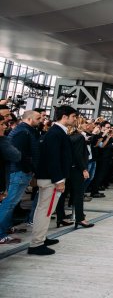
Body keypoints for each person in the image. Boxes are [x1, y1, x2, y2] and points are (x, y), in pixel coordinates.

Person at [28, 105, 78, 255]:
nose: (75, 119)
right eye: (73, 116)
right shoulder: (56, 133)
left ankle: (41, 237)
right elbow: (53, 159)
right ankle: (36, 244)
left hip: (51, 178)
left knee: (44, 210)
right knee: (45, 210)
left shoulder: (56, 132)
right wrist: (59, 180)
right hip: (51, 179)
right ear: (65, 117)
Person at [0, 109, 29, 245]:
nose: (6, 125)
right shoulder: (3, 139)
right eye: (3, 121)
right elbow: (15, 155)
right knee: (8, 203)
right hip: (9, 174)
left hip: (7, 175)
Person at [68, 122, 93, 229]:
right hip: (77, 169)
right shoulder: (79, 137)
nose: (87, 126)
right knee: (79, 194)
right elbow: (78, 154)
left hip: (68, 167)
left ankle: (61, 217)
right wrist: (84, 169)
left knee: (63, 194)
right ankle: (80, 218)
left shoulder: (68, 136)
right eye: (85, 123)